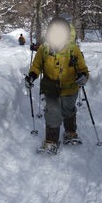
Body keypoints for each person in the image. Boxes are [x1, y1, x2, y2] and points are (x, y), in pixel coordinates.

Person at [25, 17, 89, 154]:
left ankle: (70, 132)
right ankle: (51, 140)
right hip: (50, 86)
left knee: (68, 110)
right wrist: (32, 76)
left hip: (70, 87)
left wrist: (83, 76)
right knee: (52, 112)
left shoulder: (73, 49)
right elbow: (36, 65)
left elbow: (82, 68)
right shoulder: (44, 49)